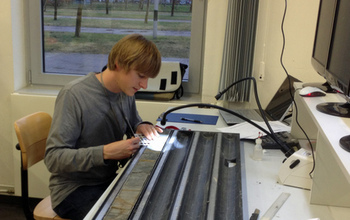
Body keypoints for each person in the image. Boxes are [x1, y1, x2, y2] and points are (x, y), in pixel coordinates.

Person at [44, 34, 163, 220]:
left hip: (109, 180)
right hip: (73, 190)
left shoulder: (126, 90)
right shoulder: (74, 95)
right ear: (119, 64)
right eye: (140, 76)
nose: (144, 84)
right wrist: (106, 152)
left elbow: (132, 122)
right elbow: (53, 158)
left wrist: (142, 126)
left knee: (155, 203)